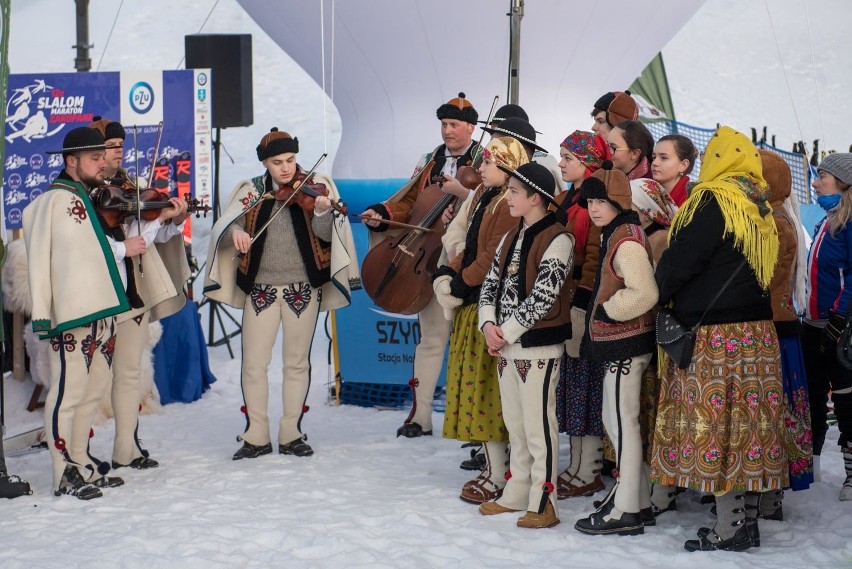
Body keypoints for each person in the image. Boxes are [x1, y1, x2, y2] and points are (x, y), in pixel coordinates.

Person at [650, 126, 786, 552]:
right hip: (758, 337)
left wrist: (659, 292)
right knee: (746, 429)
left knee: (717, 430)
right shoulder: (758, 205)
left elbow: (681, 261)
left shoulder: (712, 199)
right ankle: (748, 519)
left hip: (717, 339)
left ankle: (730, 529)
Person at [204, 128, 359, 460]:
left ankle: (292, 432)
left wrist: (321, 211)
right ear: (265, 163)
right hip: (259, 289)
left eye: (290, 160)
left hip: (302, 288)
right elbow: (229, 222)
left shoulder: (316, 187)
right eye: (278, 163)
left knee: (296, 363)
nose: (286, 169)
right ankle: (255, 434)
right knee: (254, 364)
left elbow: (328, 237)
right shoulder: (252, 191)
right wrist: (236, 234)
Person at [361, 93, 480, 439]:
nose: (447, 131)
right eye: (443, 124)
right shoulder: (430, 161)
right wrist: (383, 214)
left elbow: (497, 207)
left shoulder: (486, 160)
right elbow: (411, 203)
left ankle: (472, 424)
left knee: (470, 344)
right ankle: (421, 415)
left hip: (469, 260)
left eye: (454, 125)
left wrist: (463, 197)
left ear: (471, 127)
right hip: (426, 258)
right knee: (431, 339)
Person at [23, 127, 132, 499]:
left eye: (103, 157)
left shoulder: (92, 199)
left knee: (93, 390)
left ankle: (82, 459)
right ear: (72, 161)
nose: (103, 164)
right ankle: (62, 471)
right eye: (94, 158)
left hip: (102, 313)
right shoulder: (51, 203)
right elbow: (39, 261)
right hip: (71, 315)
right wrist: (43, 313)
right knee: (67, 392)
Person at [88, 116, 190, 470]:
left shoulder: (132, 187)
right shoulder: (83, 192)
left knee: (129, 371)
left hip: (132, 290)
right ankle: (76, 452)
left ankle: (126, 446)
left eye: (119, 147)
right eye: (109, 148)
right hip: (95, 294)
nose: (116, 153)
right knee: (93, 375)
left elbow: (152, 240)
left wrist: (169, 220)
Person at [477, 162, 573, 529]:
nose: (509, 196)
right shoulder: (510, 234)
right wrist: (488, 325)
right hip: (507, 346)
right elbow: (490, 284)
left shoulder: (559, 238)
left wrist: (506, 331)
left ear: (536, 198)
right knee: (515, 424)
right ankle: (517, 489)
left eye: (515, 191)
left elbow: (543, 297)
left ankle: (545, 498)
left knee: (538, 426)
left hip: (538, 347)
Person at [433, 137, 528, 504]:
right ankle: (492, 466)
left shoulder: (506, 202)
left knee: (489, 394)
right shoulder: (486, 197)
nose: (481, 168)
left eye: (488, 162)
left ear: (505, 166)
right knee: (477, 390)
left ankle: (499, 471)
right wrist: (451, 269)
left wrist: (460, 282)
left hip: (491, 307)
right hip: (475, 301)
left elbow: (492, 256)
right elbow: (469, 246)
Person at [573, 162, 659, 537]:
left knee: (622, 424)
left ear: (618, 201)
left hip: (626, 343)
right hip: (620, 344)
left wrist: (608, 311)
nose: (593, 207)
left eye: (601, 200)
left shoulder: (625, 238)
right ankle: (635, 499)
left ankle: (626, 508)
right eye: (590, 200)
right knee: (617, 421)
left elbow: (645, 292)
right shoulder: (617, 233)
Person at [552, 131, 610, 500]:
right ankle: (575, 463)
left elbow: (593, 256)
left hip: (582, 304)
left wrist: (582, 299)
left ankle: (589, 466)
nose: (561, 164)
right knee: (572, 385)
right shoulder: (566, 199)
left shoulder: (592, 202)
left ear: (587, 162)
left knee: (586, 385)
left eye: (568, 158)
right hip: (566, 301)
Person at [757, 149, 813, 520]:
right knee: (775, 411)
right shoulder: (776, 216)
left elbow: (764, 280)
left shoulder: (774, 222)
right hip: (779, 325)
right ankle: (770, 493)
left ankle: (772, 493)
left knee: (774, 413)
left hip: (774, 328)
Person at [802, 152, 852, 501]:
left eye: (822, 176)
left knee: (847, 400)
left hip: (840, 327)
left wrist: (840, 316)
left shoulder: (848, 222)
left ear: (843, 183)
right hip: (814, 323)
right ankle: (812, 463)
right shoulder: (826, 219)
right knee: (812, 396)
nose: (815, 182)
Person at [651, 134, 698, 206]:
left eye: (664, 158)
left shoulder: (692, 201)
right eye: (654, 157)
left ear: (683, 165)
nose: (654, 163)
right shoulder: (647, 190)